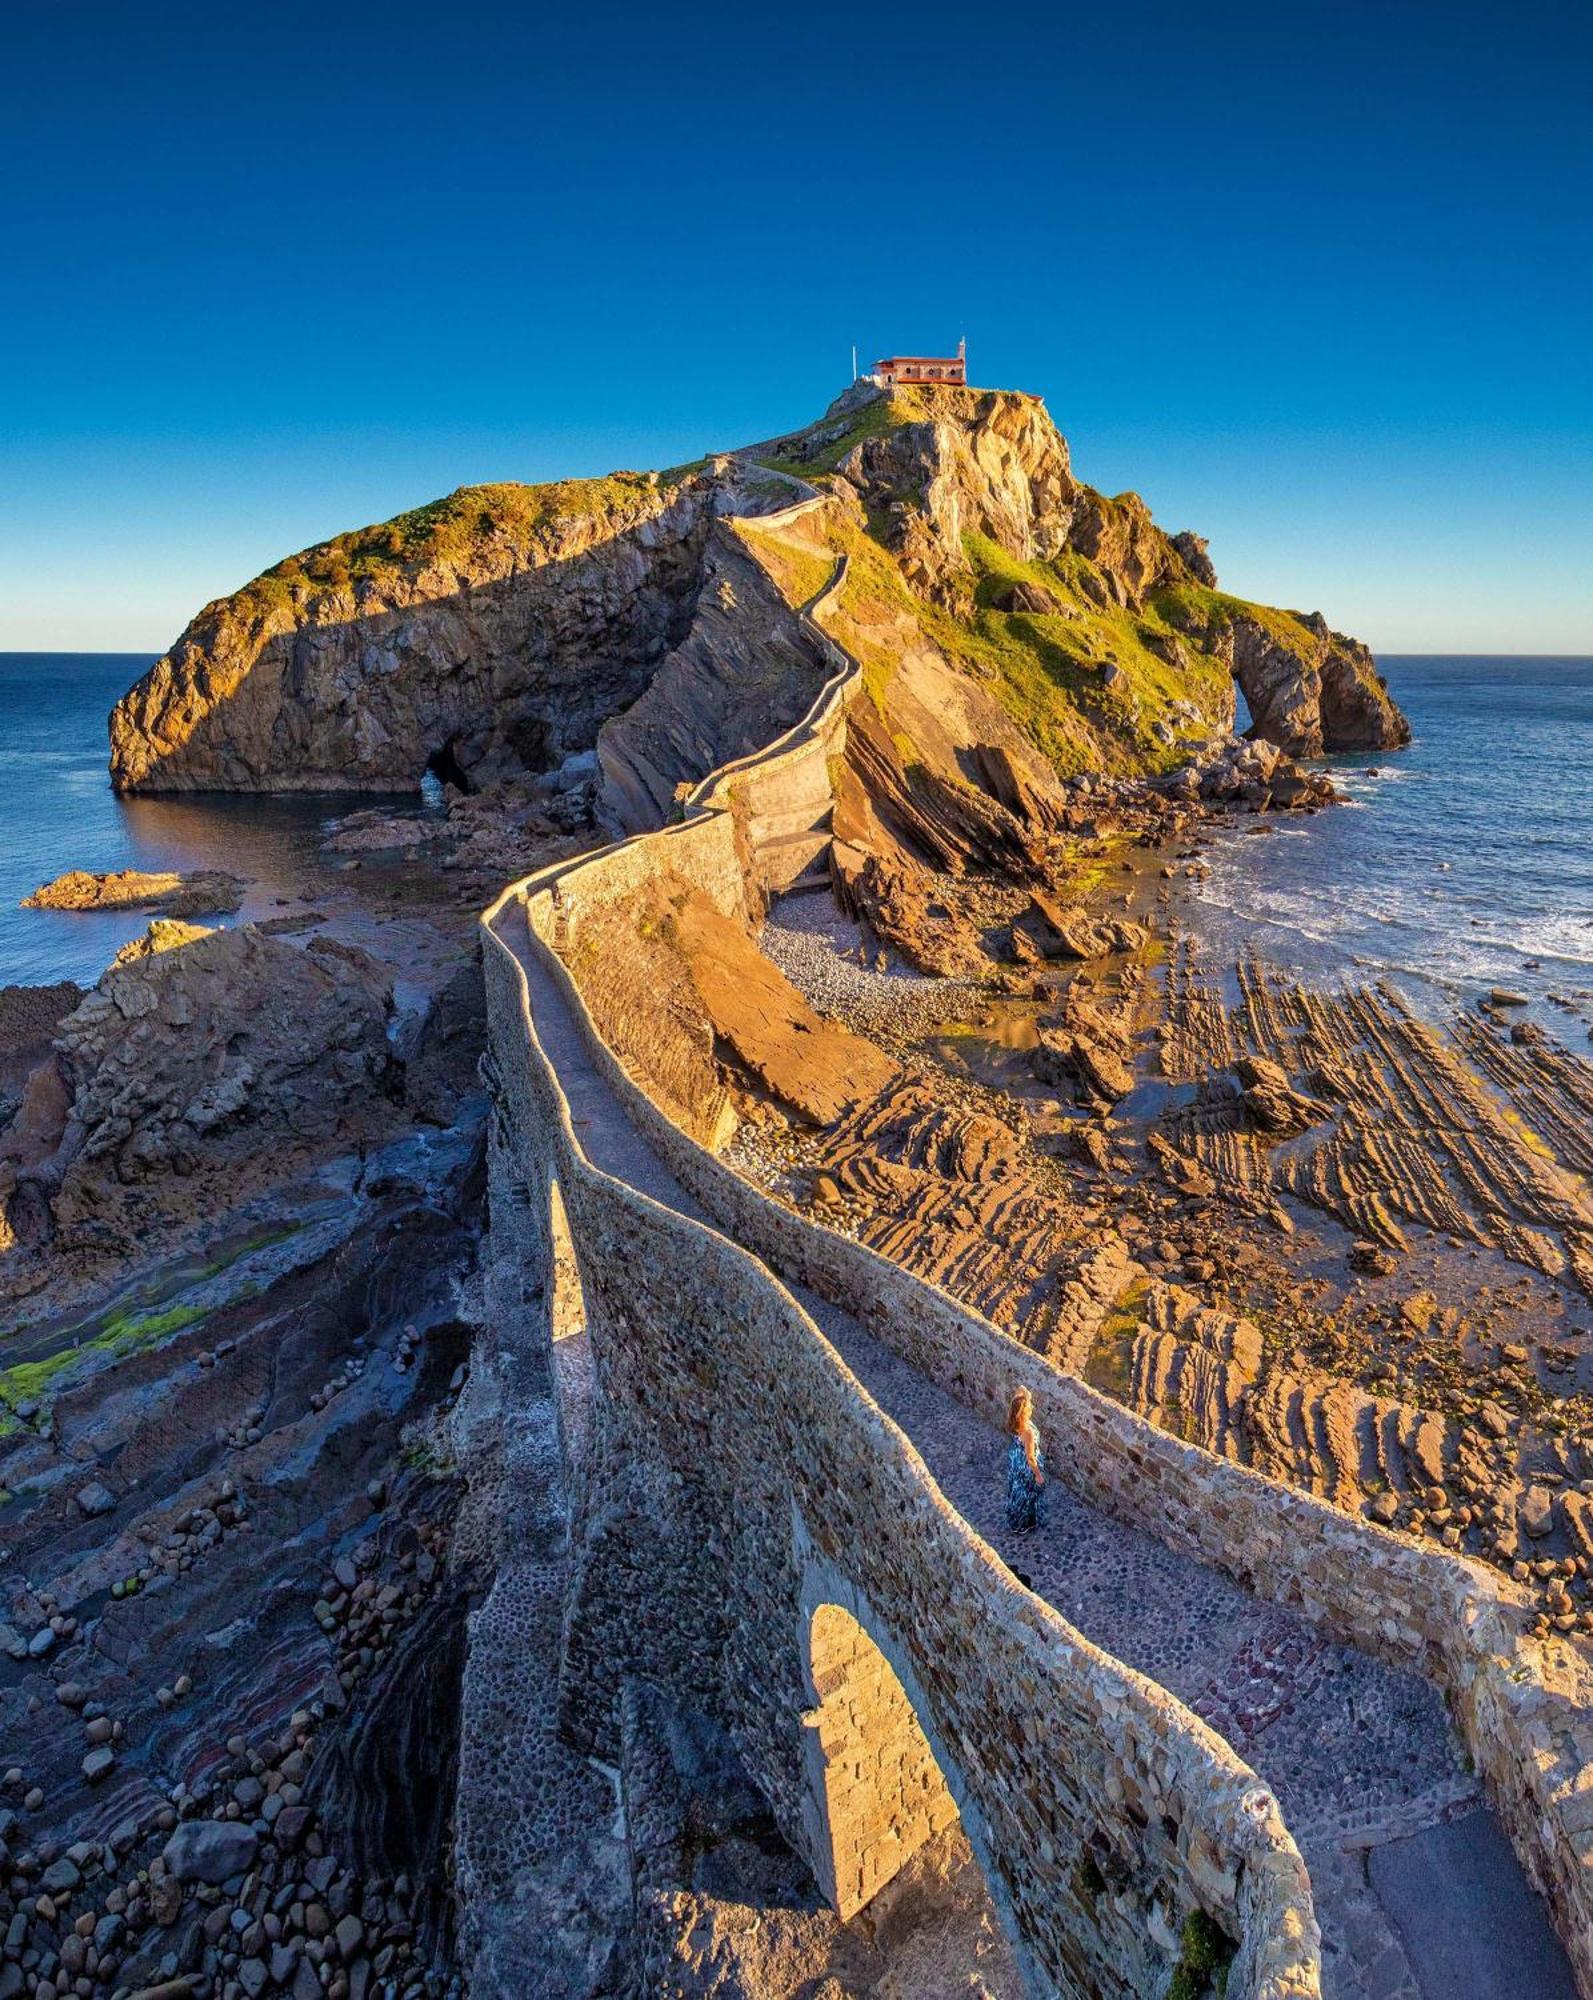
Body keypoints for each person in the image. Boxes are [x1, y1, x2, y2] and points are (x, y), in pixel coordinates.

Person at [1005, 1386, 1047, 1532]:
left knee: (1017, 1490)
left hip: (1016, 1459)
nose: (1032, 1407)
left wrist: (1026, 1397)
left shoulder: (1017, 1420)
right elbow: (1030, 1458)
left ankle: (1015, 1521)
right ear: (1023, 1412)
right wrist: (1038, 1475)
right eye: (1029, 1406)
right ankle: (1023, 1524)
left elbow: (1021, 1389)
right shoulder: (1028, 1432)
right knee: (1026, 1494)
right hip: (1026, 1466)